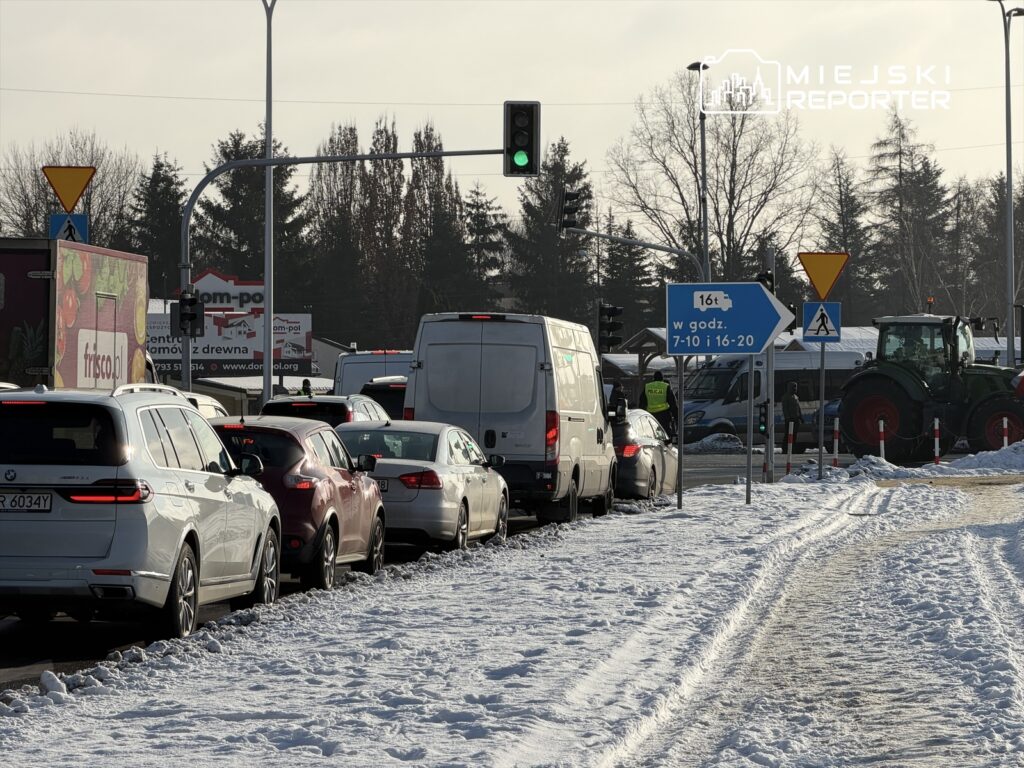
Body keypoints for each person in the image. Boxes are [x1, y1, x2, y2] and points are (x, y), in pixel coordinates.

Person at [639, 370, 678, 437]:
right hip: (664, 414)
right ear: (662, 378)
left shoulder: (647, 386)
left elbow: (642, 401)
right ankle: (666, 445)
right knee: (666, 434)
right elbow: (672, 403)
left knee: (652, 433)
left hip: (651, 415)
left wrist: (642, 414)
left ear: (654, 378)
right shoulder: (666, 386)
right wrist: (676, 416)